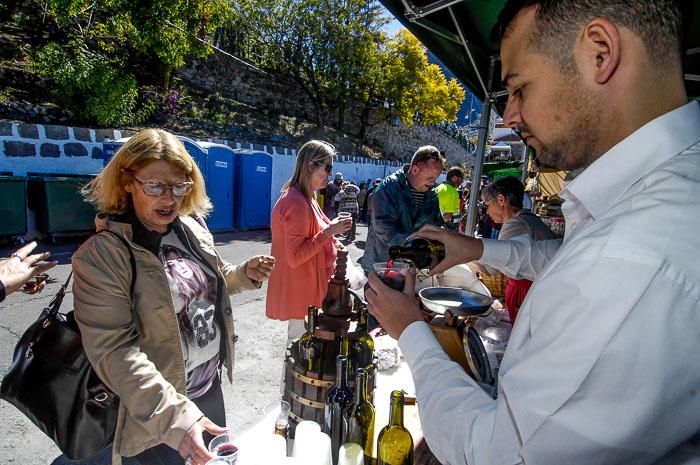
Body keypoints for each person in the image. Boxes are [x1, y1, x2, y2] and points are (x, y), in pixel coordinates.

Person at [365, 1, 700, 464]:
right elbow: (563, 260)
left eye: (520, 88)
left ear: (600, 53)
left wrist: (410, 331)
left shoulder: (632, 258)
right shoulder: (658, 195)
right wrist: (475, 247)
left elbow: (498, 454)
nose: (509, 117)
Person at [71, 129, 275, 465]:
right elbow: (114, 351)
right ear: (126, 180)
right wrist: (178, 419)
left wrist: (243, 274)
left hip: (208, 387)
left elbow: (216, 279)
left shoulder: (190, 226)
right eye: (155, 185)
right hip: (161, 407)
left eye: (181, 185)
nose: (170, 198)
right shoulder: (102, 256)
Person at [266, 140, 351, 344]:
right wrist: (330, 231)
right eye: (328, 167)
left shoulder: (308, 196)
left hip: (306, 292)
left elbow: (315, 233)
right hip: (301, 295)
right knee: (299, 354)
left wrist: (332, 239)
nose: (330, 174)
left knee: (304, 351)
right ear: (311, 165)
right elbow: (295, 257)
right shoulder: (296, 203)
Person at [479, 176, 555, 323]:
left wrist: (467, 257)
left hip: (526, 292)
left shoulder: (516, 224)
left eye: (487, 205)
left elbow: (491, 269)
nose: (487, 211)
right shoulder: (530, 219)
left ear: (501, 200)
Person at [361, 146, 445, 273]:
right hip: (383, 265)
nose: (433, 182)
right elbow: (384, 230)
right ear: (415, 169)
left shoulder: (432, 195)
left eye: (436, 178)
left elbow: (437, 226)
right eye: (430, 177)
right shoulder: (389, 187)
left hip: (412, 268)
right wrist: (416, 247)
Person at [435, 165, 464, 229]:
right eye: (462, 178)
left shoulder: (438, 187)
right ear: (455, 178)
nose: (462, 182)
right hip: (448, 228)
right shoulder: (453, 192)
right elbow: (447, 216)